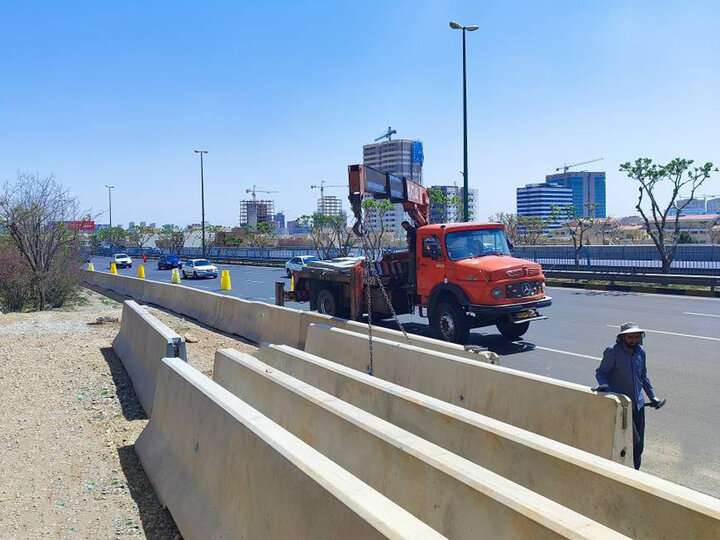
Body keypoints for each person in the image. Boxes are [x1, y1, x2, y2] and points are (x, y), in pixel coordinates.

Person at [595, 322, 664, 470]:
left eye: (636, 337)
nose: (634, 340)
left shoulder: (641, 352)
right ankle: (625, 472)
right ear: (622, 337)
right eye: (630, 337)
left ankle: (635, 472)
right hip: (622, 405)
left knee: (639, 445)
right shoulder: (612, 351)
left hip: (638, 405)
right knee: (633, 442)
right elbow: (601, 373)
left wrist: (653, 397)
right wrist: (604, 385)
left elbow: (643, 377)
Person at [401, 220, 417, 288]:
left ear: (408, 224)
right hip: (417, 250)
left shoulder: (410, 231)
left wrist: (409, 251)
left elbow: (409, 241)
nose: (404, 228)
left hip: (413, 250)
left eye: (404, 226)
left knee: (412, 266)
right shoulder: (415, 229)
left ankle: (411, 282)